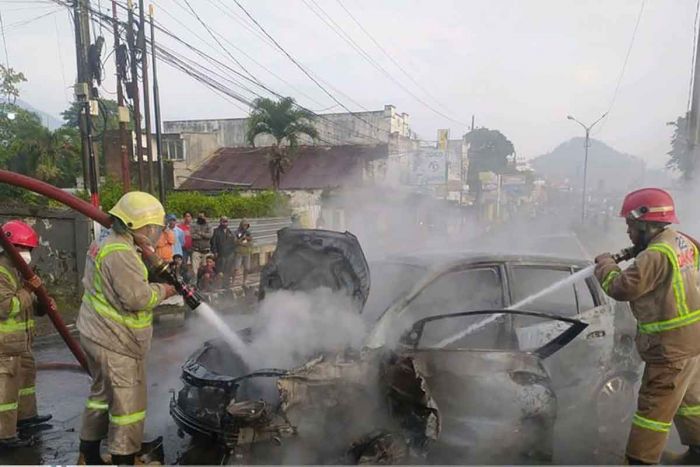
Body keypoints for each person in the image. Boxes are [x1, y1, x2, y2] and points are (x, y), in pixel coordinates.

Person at [594, 188, 700, 465]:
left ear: (645, 222)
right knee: (690, 403)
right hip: (691, 345)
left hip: (669, 350)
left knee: (652, 412)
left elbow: (621, 287)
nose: (628, 232)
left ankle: (640, 461)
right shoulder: (682, 242)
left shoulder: (654, 256)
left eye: (630, 225)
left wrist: (605, 265)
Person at [76, 191, 177, 465]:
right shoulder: (121, 254)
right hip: (115, 340)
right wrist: (165, 290)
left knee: (100, 396)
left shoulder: (106, 241)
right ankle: (125, 458)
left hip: (96, 333)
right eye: (154, 229)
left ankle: (89, 455)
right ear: (137, 226)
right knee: (128, 405)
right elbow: (137, 298)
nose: (156, 234)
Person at [0, 220, 52, 449]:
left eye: (28, 249)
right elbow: (7, 307)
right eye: (22, 248)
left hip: (22, 343)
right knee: (6, 393)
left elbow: (28, 305)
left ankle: (26, 418)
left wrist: (43, 304)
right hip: (4, 346)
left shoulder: (19, 271)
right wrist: (29, 289)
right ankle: (4, 435)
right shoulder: (2, 272)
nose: (27, 253)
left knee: (25, 382)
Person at [210, 217, 236, 286]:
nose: (225, 223)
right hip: (220, 254)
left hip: (229, 254)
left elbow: (233, 243)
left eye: (226, 222)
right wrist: (215, 251)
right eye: (223, 222)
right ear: (220, 222)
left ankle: (226, 284)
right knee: (220, 270)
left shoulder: (229, 231)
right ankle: (218, 285)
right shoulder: (216, 231)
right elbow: (213, 242)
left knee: (228, 270)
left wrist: (233, 253)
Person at [190, 212, 212, 277]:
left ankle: (203, 284)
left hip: (205, 251)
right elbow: (192, 235)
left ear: (205, 217)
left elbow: (210, 235)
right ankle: (195, 284)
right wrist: (203, 236)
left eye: (202, 216)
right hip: (196, 250)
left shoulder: (209, 225)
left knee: (205, 269)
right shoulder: (194, 225)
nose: (200, 218)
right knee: (195, 270)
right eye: (199, 216)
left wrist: (200, 233)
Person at [233, 219, 253, 287]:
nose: (245, 226)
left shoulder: (248, 233)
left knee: (247, 268)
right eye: (244, 225)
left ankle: (244, 281)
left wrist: (246, 240)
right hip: (239, 252)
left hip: (247, 252)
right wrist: (242, 239)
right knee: (236, 268)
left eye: (246, 225)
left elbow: (250, 242)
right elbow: (235, 242)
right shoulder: (237, 232)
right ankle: (233, 281)